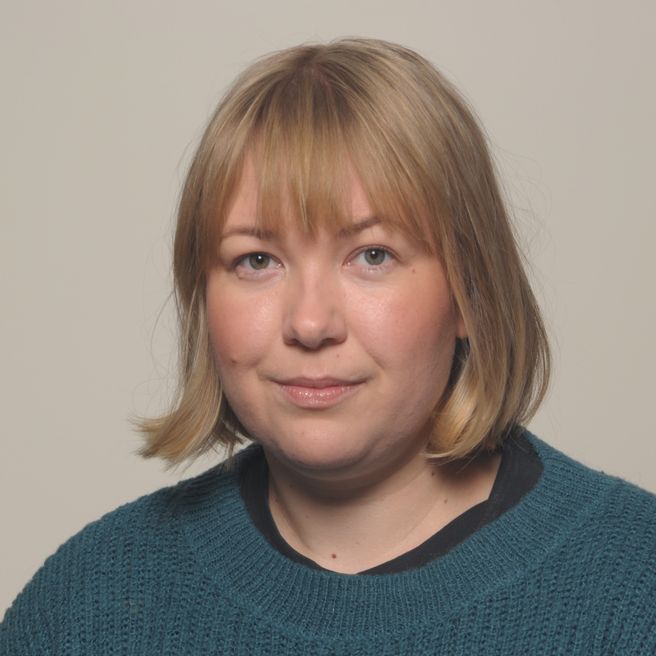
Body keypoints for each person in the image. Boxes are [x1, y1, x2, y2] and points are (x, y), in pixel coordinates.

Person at [2, 38, 654, 655]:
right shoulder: (88, 605)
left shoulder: (633, 590)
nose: (310, 324)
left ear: (468, 291)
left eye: (372, 255)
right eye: (257, 260)